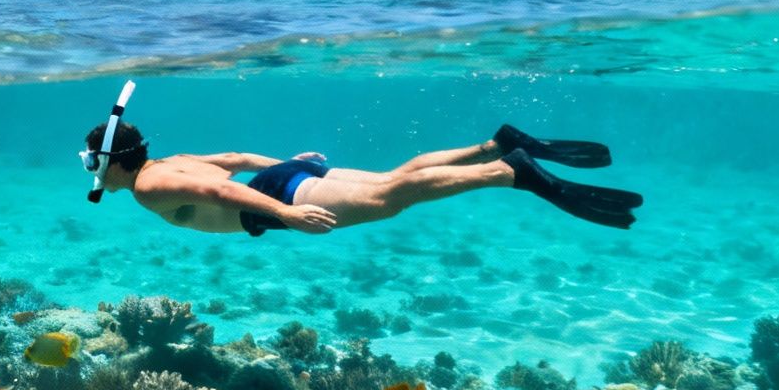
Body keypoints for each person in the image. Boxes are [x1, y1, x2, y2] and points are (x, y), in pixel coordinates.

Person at [82, 121, 641, 234]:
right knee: (392, 178)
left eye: (90, 163)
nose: (91, 174)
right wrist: (291, 160)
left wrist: (286, 213)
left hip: (274, 195)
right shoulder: (168, 160)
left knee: (388, 199)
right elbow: (230, 156)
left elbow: (218, 190)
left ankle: (509, 171)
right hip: (285, 174)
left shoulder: (149, 188)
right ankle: (494, 144)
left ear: (110, 161)